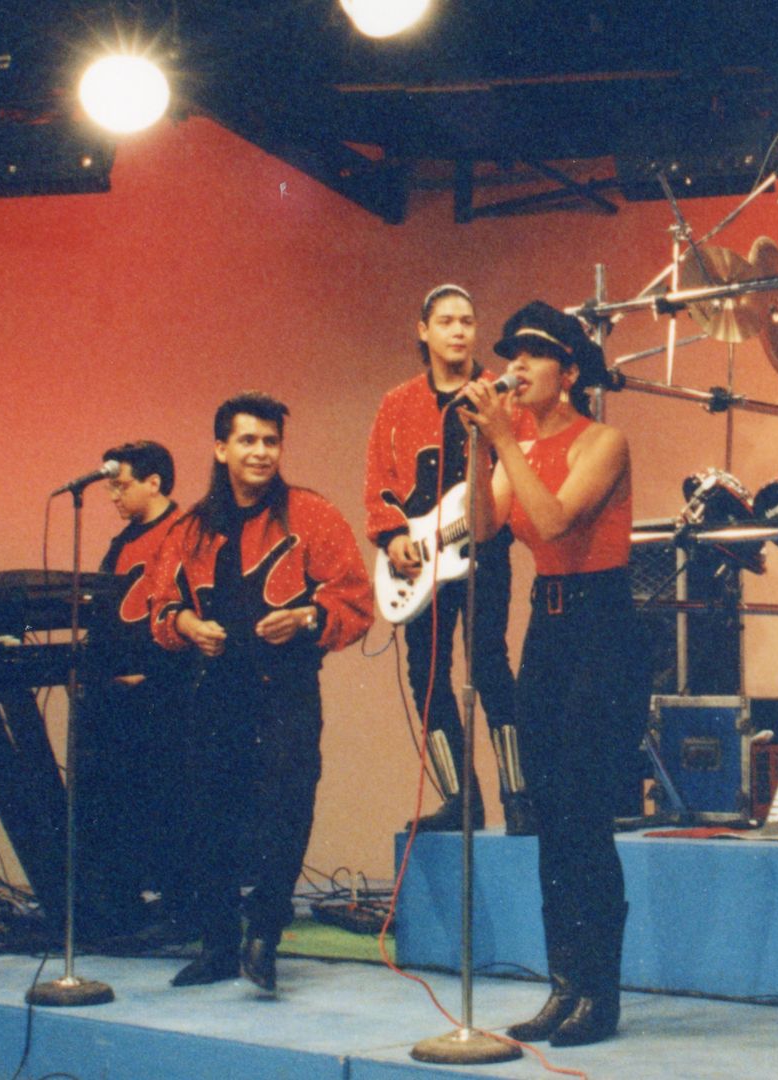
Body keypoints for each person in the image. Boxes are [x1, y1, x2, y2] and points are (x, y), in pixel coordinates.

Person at [147, 393, 373, 992]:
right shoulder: (189, 527)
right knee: (207, 816)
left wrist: (305, 618)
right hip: (213, 689)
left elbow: (356, 599)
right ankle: (219, 945)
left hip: (287, 689)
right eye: (248, 440)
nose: (261, 452)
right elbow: (158, 607)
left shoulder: (312, 515)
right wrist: (188, 627)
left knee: (287, 808)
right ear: (221, 449)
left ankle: (264, 936)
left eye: (270, 441)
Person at [458, 301, 636, 1047]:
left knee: (586, 818)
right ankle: (564, 985)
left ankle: (600, 990)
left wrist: (505, 440)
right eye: (511, 355)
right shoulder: (515, 444)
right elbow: (479, 527)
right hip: (549, 629)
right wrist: (480, 447)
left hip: (602, 628)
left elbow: (557, 519)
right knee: (548, 815)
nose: (515, 368)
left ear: (568, 372)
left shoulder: (604, 439)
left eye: (532, 355)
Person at [364, 284, 533, 835]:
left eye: (467, 320)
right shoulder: (397, 403)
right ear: (424, 331)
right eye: (446, 321)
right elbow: (379, 483)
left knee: (489, 664)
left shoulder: (500, 395)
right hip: (421, 560)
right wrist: (392, 537)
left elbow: (521, 462)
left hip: (485, 548)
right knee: (427, 675)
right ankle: (459, 798)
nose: (459, 330)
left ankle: (519, 794)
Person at [74, 440, 195, 942]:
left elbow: (198, 609)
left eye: (120, 486)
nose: (113, 497)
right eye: (109, 488)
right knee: (106, 798)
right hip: (117, 695)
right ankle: (115, 905)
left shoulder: (189, 532)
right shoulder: (119, 545)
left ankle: (180, 908)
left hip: (168, 693)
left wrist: (156, 673)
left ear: (154, 482)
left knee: (169, 802)